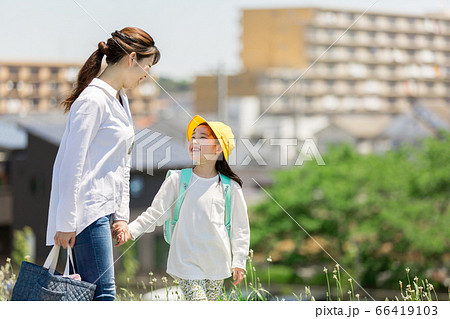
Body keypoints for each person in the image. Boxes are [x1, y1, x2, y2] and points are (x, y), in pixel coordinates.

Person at [46, 27, 160, 301]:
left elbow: (121, 163)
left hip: (102, 210)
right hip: (86, 212)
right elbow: (71, 163)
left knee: (93, 294)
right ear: (131, 58)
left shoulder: (119, 99)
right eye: (146, 66)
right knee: (103, 294)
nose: (147, 75)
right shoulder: (93, 100)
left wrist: (121, 215)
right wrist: (66, 221)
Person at [113, 115, 250, 301]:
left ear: (218, 148)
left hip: (217, 264)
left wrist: (239, 261)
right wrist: (131, 230)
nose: (194, 141)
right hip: (186, 264)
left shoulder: (230, 187)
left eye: (202, 137)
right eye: (193, 136)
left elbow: (240, 228)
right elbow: (155, 213)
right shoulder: (178, 180)